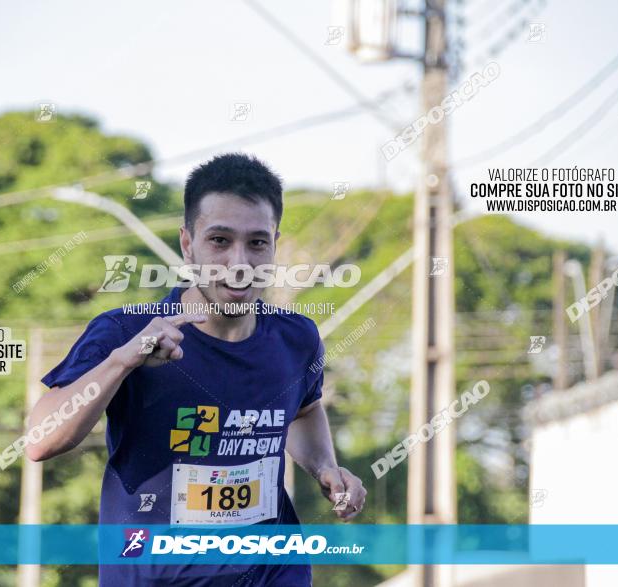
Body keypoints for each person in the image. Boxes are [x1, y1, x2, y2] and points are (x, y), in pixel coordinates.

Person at [25, 152, 366, 586]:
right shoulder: (124, 332)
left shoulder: (296, 338)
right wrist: (121, 364)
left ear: (275, 245)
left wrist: (324, 468)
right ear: (188, 244)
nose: (239, 262)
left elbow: (303, 409)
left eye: (257, 243)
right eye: (219, 241)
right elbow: (39, 441)